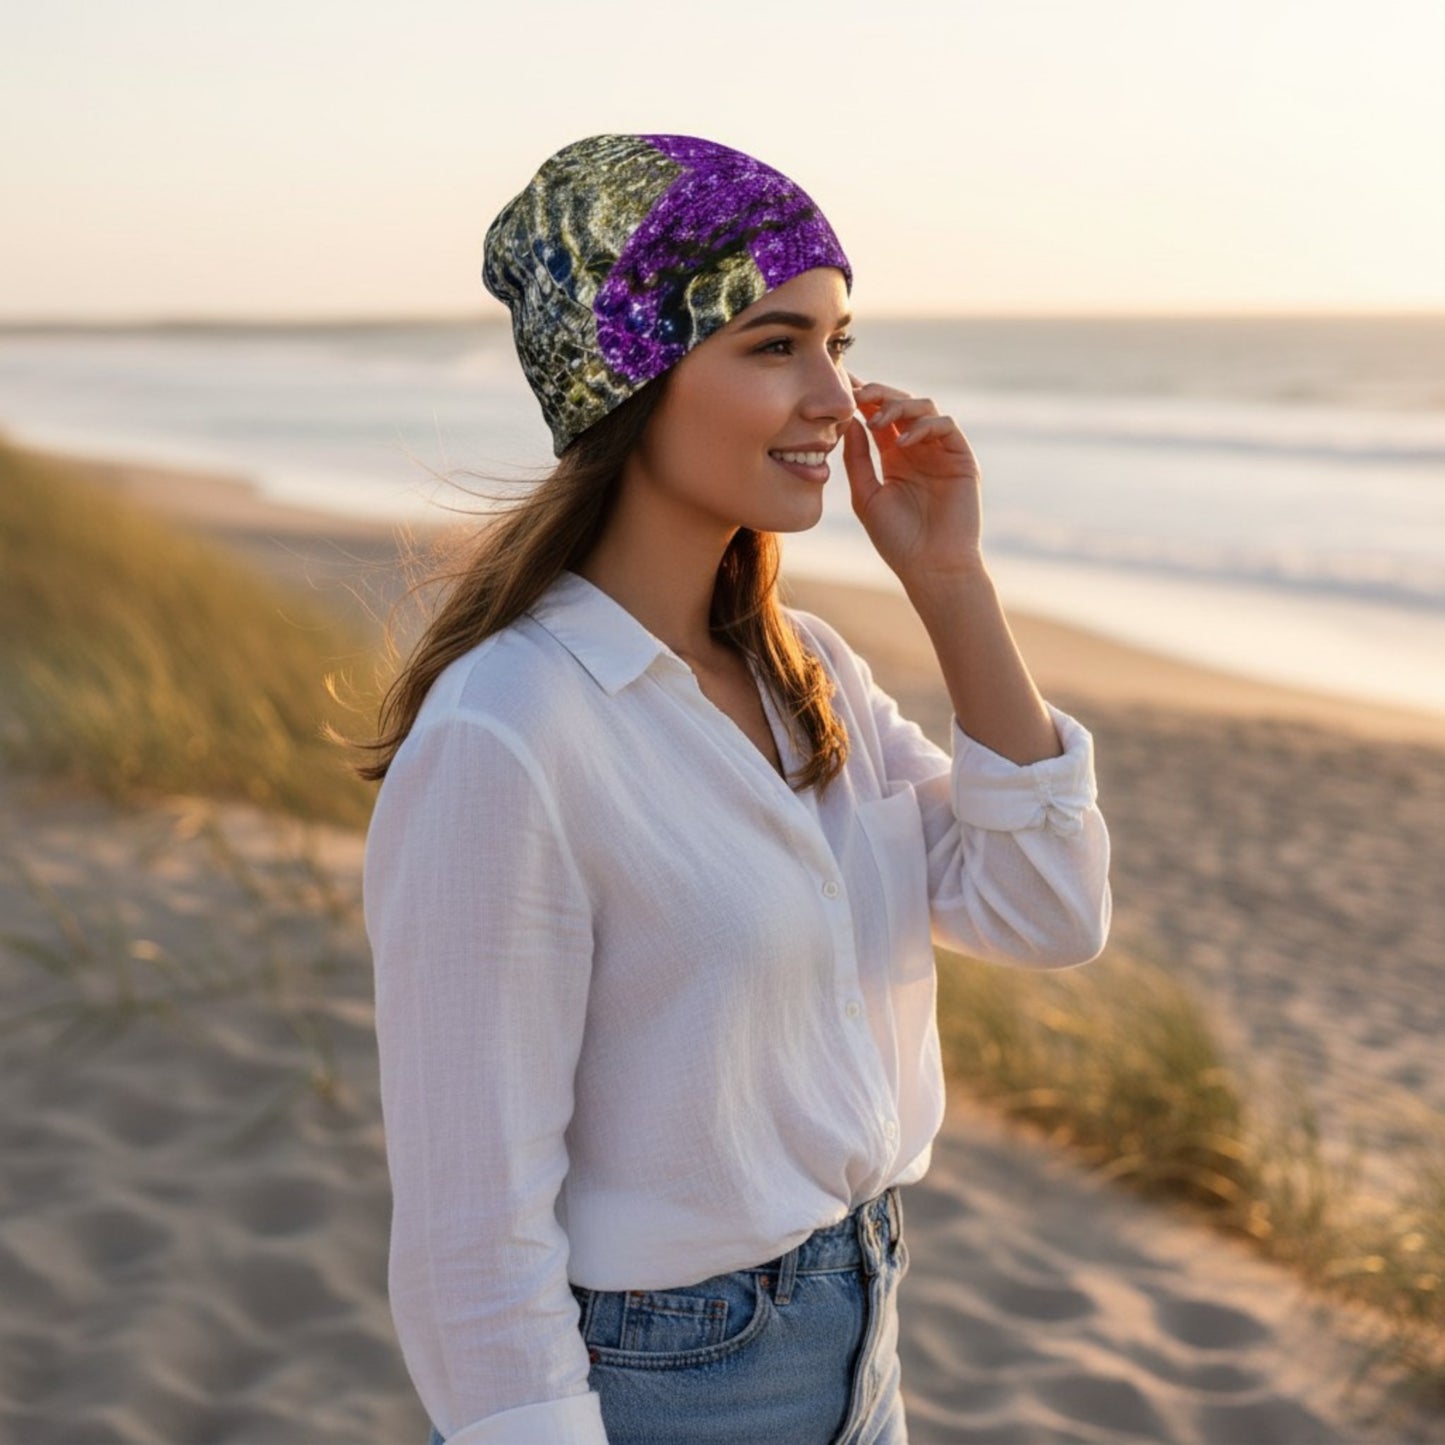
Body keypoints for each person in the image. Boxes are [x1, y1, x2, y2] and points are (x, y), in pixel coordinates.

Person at [362, 134, 1111, 1445]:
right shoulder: (507, 731)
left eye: (837, 338)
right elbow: (466, 1225)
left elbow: (1043, 910)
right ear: (630, 380)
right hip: (664, 1382)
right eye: (773, 344)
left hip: (859, 1330)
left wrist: (950, 587)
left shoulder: (802, 668)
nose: (836, 393)